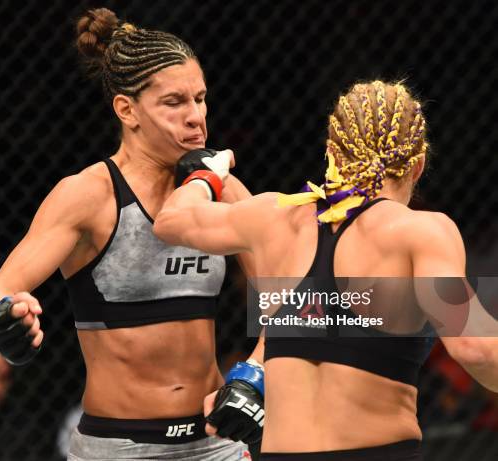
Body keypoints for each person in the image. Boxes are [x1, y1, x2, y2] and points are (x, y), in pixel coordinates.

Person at [153, 80, 498, 460]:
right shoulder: (421, 230)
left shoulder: (273, 218)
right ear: (417, 166)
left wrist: (208, 174)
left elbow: (172, 220)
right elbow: (475, 347)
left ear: (333, 152)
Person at [0, 7, 259, 460]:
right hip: (119, 446)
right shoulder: (89, 195)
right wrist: (6, 318)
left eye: (200, 98)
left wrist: (255, 374)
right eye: (174, 102)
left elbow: (291, 294)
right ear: (127, 109)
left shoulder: (221, 189)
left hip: (216, 445)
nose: (196, 117)